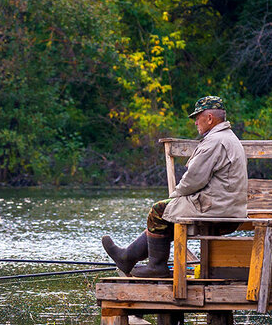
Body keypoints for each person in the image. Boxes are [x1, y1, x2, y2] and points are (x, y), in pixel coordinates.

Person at [103, 96, 248, 277]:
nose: (195, 122)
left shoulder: (215, 142)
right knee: (168, 216)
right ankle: (127, 256)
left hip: (216, 209)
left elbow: (193, 180)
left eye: (198, 117)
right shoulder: (229, 138)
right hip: (228, 207)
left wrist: (175, 196)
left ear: (210, 118)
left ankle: (156, 267)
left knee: (158, 211)